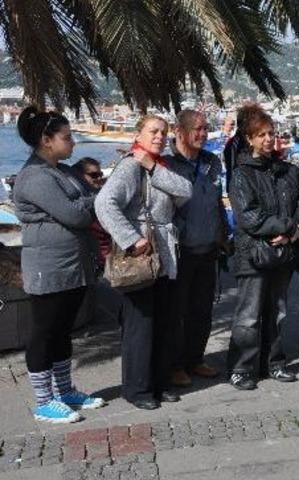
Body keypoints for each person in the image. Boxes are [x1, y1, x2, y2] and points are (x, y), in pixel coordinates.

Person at [14, 107, 105, 423]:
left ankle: (65, 391)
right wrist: (90, 199)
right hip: (48, 268)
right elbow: (78, 214)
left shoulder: (63, 171)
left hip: (74, 266)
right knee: (44, 331)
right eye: (67, 137)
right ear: (46, 140)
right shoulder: (33, 177)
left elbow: (84, 199)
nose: (73, 142)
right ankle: (43, 400)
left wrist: (87, 199)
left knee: (63, 330)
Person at [96, 115, 192, 410]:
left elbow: (186, 191)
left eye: (164, 132)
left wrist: (151, 165)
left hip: (164, 256)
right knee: (141, 325)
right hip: (142, 256)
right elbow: (104, 203)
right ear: (139, 133)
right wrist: (130, 238)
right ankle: (137, 389)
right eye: (153, 131)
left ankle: (160, 383)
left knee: (163, 322)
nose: (160, 137)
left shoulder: (156, 165)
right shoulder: (130, 166)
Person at [225, 105, 299, 390]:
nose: (269, 139)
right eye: (262, 135)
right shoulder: (241, 175)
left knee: (278, 312)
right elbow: (249, 217)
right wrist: (285, 227)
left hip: (283, 253)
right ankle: (241, 367)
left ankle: (274, 362)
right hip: (253, 254)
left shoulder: (288, 172)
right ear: (249, 138)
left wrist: (292, 231)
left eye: (271, 133)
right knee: (249, 315)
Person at [165, 110, 226, 388]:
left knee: (202, 310)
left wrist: (223, 236)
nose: (203, 134)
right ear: (179, 131)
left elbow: (216, 203)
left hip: (209, 248)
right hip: (180, 251)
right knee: (177, 312)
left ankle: (195, 359)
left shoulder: (212, 161)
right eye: (197, 129)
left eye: (205, 128)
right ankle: (175, 364)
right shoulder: (166, 164)